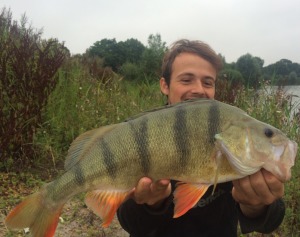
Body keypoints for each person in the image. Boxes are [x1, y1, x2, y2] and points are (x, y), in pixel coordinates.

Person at [117, 39, 285, 237]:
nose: (198, 89)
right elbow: (129, 222)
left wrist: (256, 207)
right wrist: (152, 205)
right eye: (186, 80)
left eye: (208, 82)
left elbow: (270, 222)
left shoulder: (234, 137)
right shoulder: (142, 135)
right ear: (165, 85)